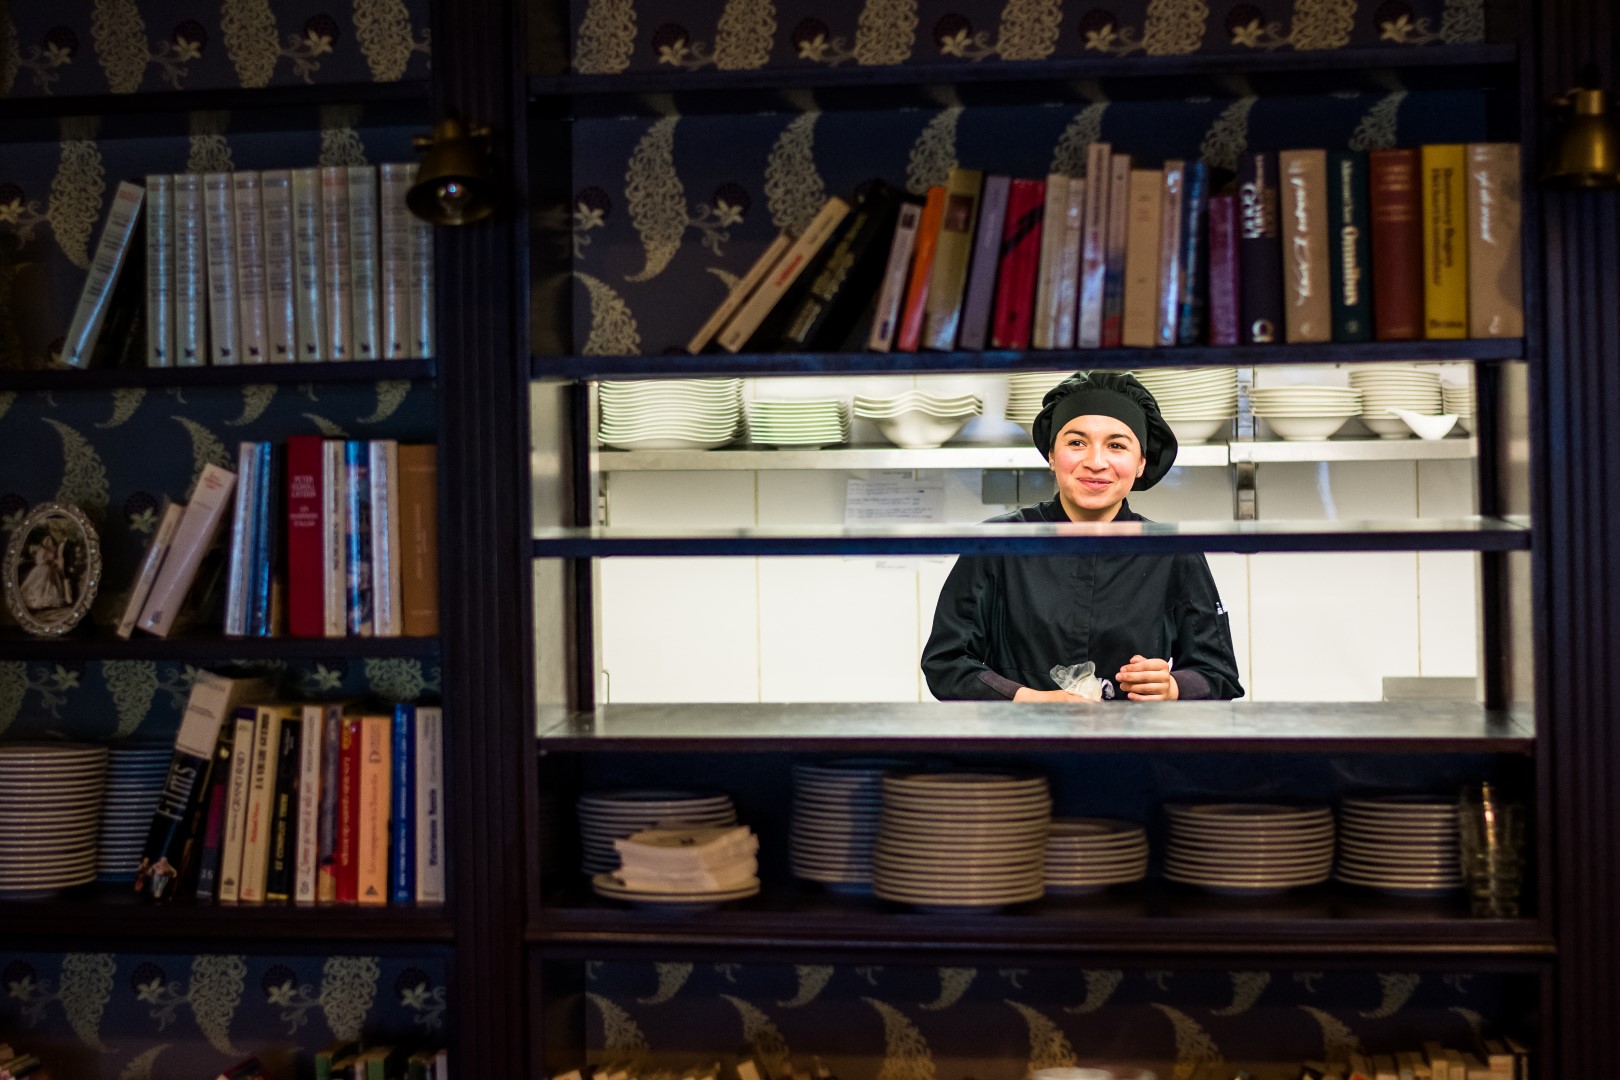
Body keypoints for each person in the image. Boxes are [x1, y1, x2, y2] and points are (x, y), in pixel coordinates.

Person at [922, 371, 1243, 703]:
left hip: (1137, 735)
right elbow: (946, 663)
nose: (1096, 462)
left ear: (1141, 463)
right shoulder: (998, 543)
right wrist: (1032, 699)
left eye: (1116, 446)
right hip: (1020, 733)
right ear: (1051, 455)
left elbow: (1218, 674)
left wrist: (1172, 687)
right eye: (1077, 443)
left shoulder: (1173, 551)